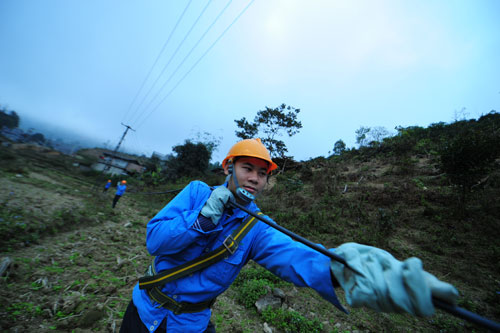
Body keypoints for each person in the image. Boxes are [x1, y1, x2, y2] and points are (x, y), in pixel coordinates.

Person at [120, 138, 458, 333]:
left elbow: (296, 257)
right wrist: (202, 220)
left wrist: (342, 268)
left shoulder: (257, 227)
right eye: (246, 168)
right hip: (144, 309)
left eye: (261, 173)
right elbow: (155, 241)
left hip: (191, 324)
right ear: (228, 168)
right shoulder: (195, 193)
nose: (254, 178)